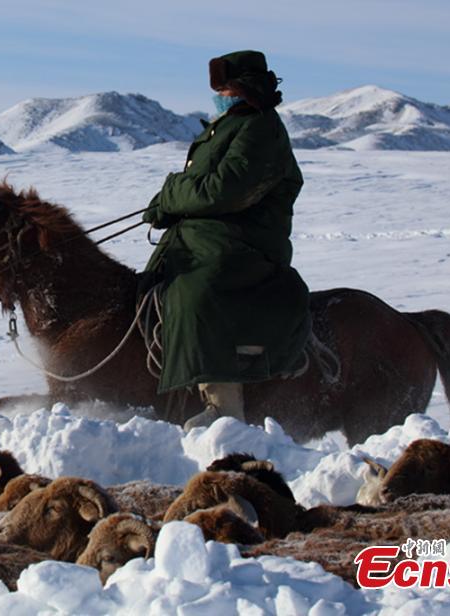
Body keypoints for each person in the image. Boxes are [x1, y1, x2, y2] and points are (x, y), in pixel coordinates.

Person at [142, 50, 311, 430]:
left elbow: (225, 191)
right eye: (216, 87)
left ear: (243, 87)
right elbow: (199, 188)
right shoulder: (224, 127)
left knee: (195, 291)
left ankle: (224, 407)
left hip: (246, 242)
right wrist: (166, 207)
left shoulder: (261, 128)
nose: (218, 93)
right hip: (207, 235)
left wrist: (171, 194)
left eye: (223, 86)